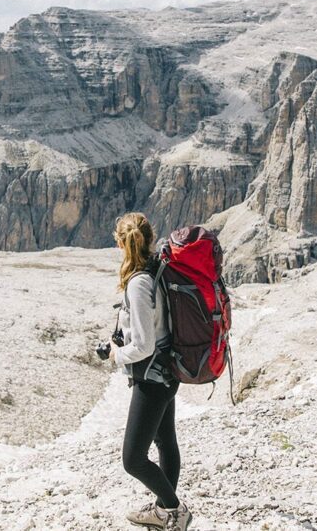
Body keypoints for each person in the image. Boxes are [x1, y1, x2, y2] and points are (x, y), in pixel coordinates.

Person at [110, 212, 192, 531]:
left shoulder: (139, 282)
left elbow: (143, 345)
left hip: (152, 377)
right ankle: (163, 510)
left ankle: (174, 510)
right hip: (169, 370)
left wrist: (118, 355)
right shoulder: (158, 268)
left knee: (133, 459)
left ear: (121, 243)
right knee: (165, 440)